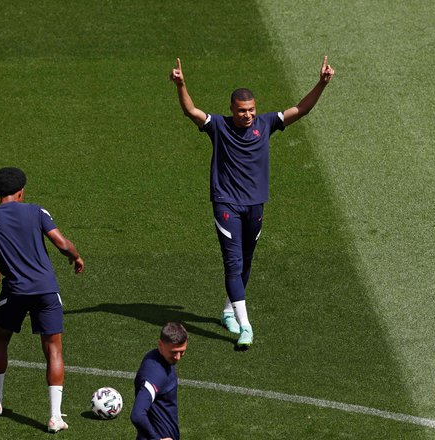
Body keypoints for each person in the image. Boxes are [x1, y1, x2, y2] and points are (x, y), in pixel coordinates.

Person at [169, 56, 335, 348]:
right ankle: (246, 326)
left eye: (251, 110)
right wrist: (181, 85)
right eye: (242, 111)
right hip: (226, 204)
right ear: (232, 109)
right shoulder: (218, 126)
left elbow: (302, 109)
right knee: (233, 263)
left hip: (255, 204)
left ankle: (227, 311)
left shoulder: (267, 123)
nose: (247, 115)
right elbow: (191, 111)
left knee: (246, 261)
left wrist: (321, 83)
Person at [0, 167, 84, 433]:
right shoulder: (36, 211)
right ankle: (55, 417)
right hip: (46, 291)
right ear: (21, 191)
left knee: (1, 338)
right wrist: (75, 256)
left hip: (15, 292)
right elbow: (61, 243)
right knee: (53, 350)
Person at [131, 322, 188, 440]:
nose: (178, 357)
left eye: (182, 351)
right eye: (173, 352)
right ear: (160, 345)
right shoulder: (155, 374)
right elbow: (137, 415)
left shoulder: (160, 358)